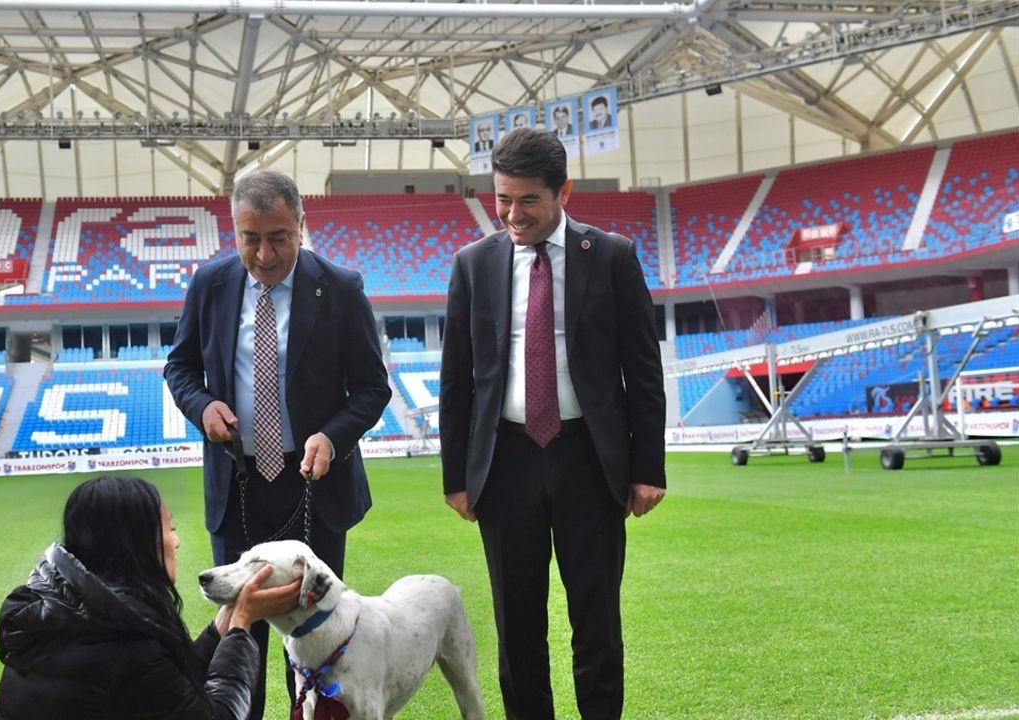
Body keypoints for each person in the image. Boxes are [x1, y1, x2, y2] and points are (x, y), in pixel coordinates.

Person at [439, 127, 666, 720]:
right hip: (506, 463)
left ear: (564, 191)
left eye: (528, 201)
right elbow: (457, 380)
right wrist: (456, 478)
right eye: (502, 199)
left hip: (589, 460)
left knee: (597, 619)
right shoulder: (472, 265)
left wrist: (648, 468)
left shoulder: (612, 256)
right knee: (517, 626)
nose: (513, 214)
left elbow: (643, 370)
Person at [164, 168, 391, 718]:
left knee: (314, 638)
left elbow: (371, 388)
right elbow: (180, 368)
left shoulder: (340, 288)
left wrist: (331, 438)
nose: (264, 254)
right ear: (234, 230)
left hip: (314, 485)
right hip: (236, 485)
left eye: (279, 237)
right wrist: (203, 406)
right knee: (238, 631)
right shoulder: (210, 284)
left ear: (301, 225)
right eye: (250, 238)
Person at [0, 475, 302, 720]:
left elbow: (170, 688)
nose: (176, 542)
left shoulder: (68, 612)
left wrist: (222, 626)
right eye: (170, 528)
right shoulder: (124, 645)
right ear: (136, 544)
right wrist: (241, 625)